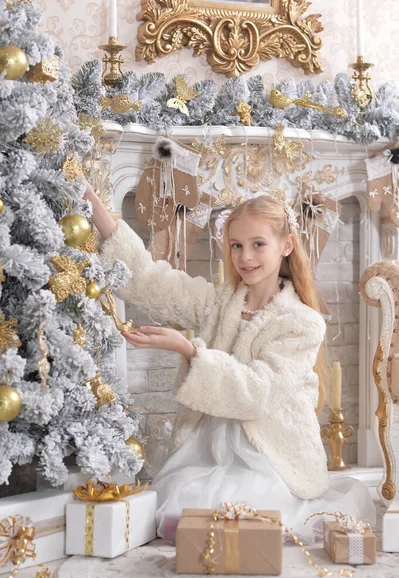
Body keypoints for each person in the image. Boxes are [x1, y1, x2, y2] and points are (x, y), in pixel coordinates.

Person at [84, 183, 376, 544]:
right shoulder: (219, 302)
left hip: (267, 453)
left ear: (286, 245)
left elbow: (257, 392)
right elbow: (151, 280)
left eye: (257, 244)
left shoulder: (302, 323)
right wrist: (95, 206)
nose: (245, 257)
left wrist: (191, 352)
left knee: (237, 508)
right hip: (208, 443)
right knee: (180, 500)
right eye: (236, 245)